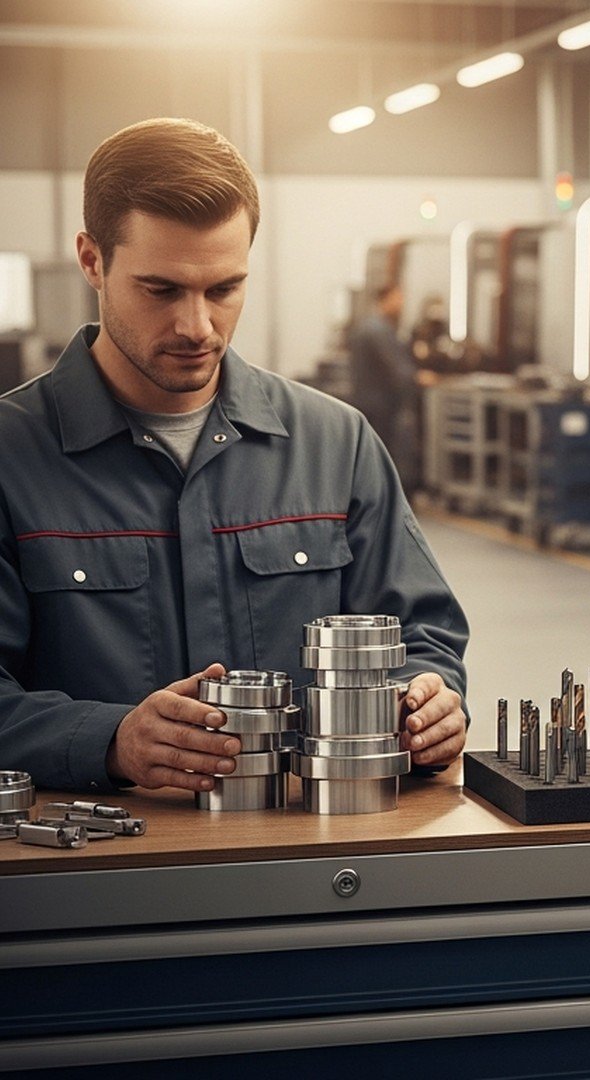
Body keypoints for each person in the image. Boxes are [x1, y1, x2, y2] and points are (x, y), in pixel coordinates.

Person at [0, 118, 469, 794]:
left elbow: (424, 635)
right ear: (92, 260)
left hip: (313, 866)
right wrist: (110, 739)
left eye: (223, 289)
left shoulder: (336, 445)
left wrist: (429, 703)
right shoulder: (13, 458)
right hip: (95, 880)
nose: (197, 327)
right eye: (161, 290)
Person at [345, 280, 420, 490]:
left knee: (369, 452)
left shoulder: (367, 327)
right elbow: (398, 368)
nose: (402, 303)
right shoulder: (379, 330)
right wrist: (418, 378)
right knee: (383, 452)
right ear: (385, 300)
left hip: (366, 399)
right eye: (398, 298)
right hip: (381, 403)